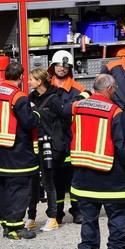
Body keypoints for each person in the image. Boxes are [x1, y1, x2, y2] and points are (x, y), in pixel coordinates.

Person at [70, 73, 125, 249]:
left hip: (84, 176)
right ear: (109, 89)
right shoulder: (115, 112)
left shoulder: (78, 107)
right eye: (115, 89)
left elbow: (62, 108)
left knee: (89, 221)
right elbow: (124, 148)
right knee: (117, 220)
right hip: (111, 178)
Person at [0, 61, 38, 240]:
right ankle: (17, 227)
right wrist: (37, 113)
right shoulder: (19, 97)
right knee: (20, 189)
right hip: (17, 151)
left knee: (4, 189)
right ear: (21, 77)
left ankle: (7, 225)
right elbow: (28, 122)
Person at [27, 67, 73, 231]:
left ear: (39, 82)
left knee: (48, 183)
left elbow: (66, 118)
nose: (28, 82)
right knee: (32, 183)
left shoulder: (54, 99)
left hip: (50, 146)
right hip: (35, 144)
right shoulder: (31, 97)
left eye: (31, 79)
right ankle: (31, 217)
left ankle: (53, 217)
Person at [48, 50, 83, 223]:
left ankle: (77, 211)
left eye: (66, 65)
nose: (62, 68)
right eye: (59, 65)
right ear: (53, 66)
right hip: (53, 140)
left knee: (75, 178)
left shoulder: (78, 89)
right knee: (55, 179)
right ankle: (57, 212)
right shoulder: (46, 86)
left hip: (72, 138)